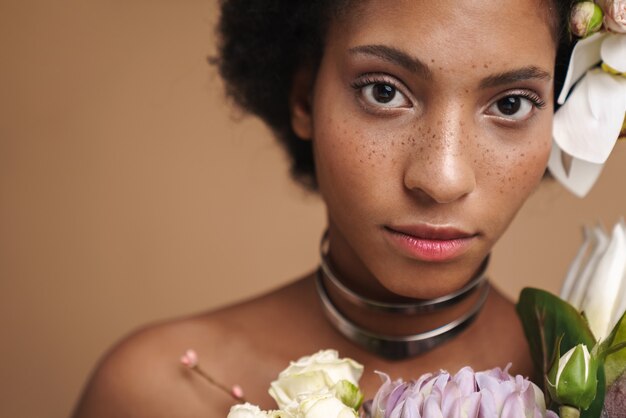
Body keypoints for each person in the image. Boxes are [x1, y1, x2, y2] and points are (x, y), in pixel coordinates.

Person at [72, 0, 576, 416]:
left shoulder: (593, 386)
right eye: (384, 92)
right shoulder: (158, 392)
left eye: (511, 104)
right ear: (303, 99)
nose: (442, 179)